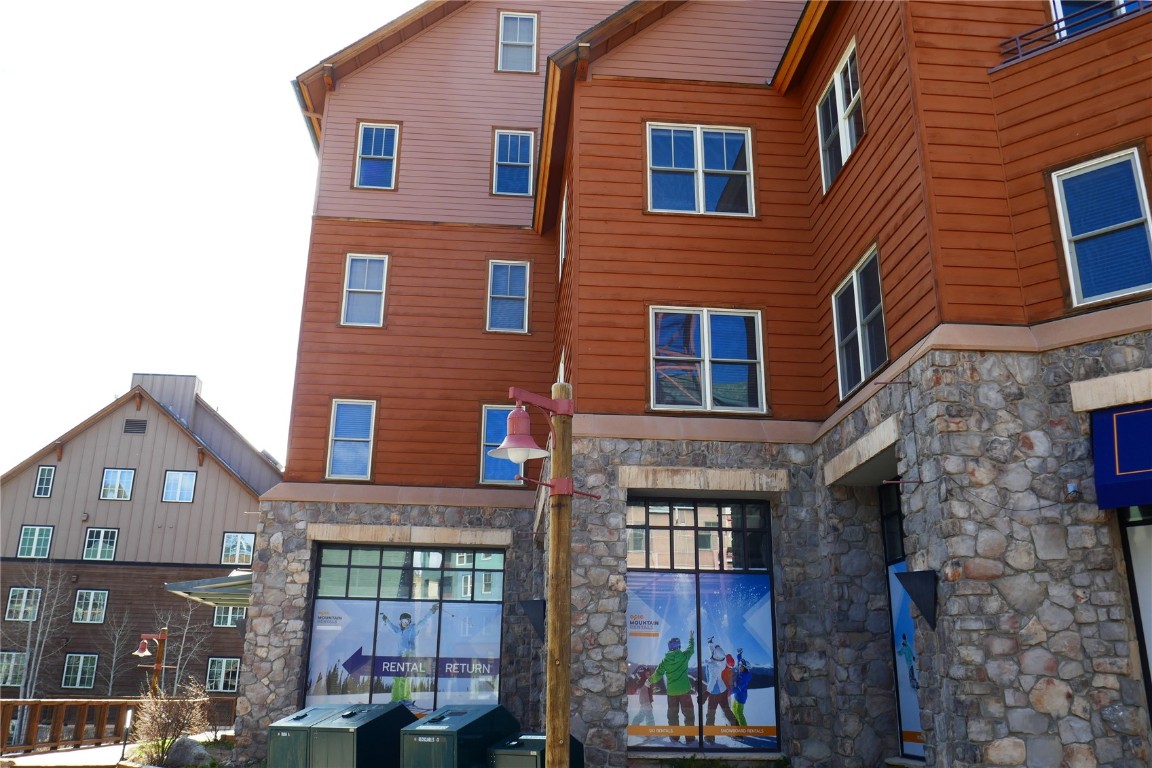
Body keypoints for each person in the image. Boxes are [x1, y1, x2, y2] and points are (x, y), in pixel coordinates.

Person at [380, 605, 440, 702]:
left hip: (409, 655)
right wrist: (386, 620)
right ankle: (395, 699)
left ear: (409, 621)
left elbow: (423, 621)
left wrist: (431, 611)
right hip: (399, 656)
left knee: (404, 678)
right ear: (400, 621)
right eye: (403, 621)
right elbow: (391, 627)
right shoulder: (398, 630)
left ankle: (405, 698)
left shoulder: (413, 629)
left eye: (407, 621)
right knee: (396, 678)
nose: (405, 623)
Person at [648, 631, 695, 743]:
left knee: (673, 715)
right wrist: (691, 639)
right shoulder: (684, 656)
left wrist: (649, 681)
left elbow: (658, 674)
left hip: (672, 693)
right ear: (678, 646)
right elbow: (691, 649)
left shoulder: (665, 660)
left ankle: (674, 737)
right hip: (684, 691)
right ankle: (690, 738)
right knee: (688, 714)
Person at [702, 637, 737, 742]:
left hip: (714, 693)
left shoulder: (713, 666)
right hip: (723, 690)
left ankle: (709, 736)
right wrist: (710, 643)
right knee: (727, 711)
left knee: (710, 714)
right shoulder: (722, 659)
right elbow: (713, 652)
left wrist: (706, 693)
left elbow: (712, 681)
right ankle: (738, 731)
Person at [730, 648, 753, 727]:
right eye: (740, 666)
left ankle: (744, 728)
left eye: (741, 666)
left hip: (741, 697)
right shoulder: (742, 671)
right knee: (734, 709)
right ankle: (737, 725)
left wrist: (729, 692)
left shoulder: (744, 678)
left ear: (745, 668)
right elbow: (740, 661)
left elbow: (738, 688)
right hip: (737, 696)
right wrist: (739, 654)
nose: (739, 667)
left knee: (739, 712)